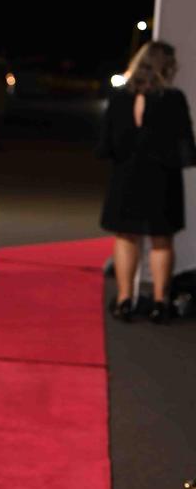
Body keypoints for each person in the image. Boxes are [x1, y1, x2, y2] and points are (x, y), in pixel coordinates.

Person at [99, 40, 196, 323]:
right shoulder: (173, 99)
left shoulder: (119, 98)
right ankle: (159, 302)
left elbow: (105, 145)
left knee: (125, 237)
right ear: (165, 66)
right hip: (161, 179)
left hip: (126, 177)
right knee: (161, 241)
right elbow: (185, 148)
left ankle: (124, 300)